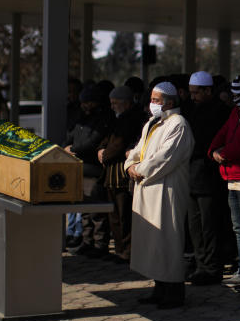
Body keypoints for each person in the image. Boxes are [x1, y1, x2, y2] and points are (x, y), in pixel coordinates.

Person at [124, 82, 195, 308]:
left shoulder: (179, 124)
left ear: (170, 102)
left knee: (168, 241)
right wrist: (129, 166)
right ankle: (159, 288)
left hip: (167, 190)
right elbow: (137, 151)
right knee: (153, 242)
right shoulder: (152, 124)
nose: (152, 104)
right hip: (147, 188)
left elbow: (165, 158)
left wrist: (140, 171)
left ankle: (174, 292)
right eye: (151, 99)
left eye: (156, 100)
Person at [209, 74, 240, 287]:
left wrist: (224, 153)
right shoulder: (235, 113)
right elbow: (220, 136)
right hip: (231, 178)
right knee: (238, 228)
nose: (237, 98)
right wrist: (214, 151)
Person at [184, 70, 231, 286]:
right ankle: (201, 264)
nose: (193, 96)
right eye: (191, 92)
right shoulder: (192, 110)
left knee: (210, 225)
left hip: (209, 179)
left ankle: (212, 268)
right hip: (192, 177)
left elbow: (206, 142)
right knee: (195, 226)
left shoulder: (220, 111)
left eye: (196, 92)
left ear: (208, 90)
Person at [97, 85, 147, 262]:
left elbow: (119, 143)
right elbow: (107, 137)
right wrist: (101, 149)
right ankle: (120, 249)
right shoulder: (116, 118)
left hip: (121, 174)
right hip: (111, 172)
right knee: (115, 215)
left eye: (115, 103)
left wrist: (105, 155)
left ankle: (127, 251)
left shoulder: (132, 118)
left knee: (125, 215)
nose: (112, 106)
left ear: (125, 103)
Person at [65, 83, 114, 257]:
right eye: (83, 102)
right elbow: (71, 136)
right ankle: (87, 241)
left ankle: (100, 244)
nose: (85, 106)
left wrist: (74, 149)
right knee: (84, 208)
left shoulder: (102, 119)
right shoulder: (81, 118)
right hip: (79, 168)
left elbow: (93, 142)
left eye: (88, 102)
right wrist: (68, 146)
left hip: (94, 169)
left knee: (97, 210)